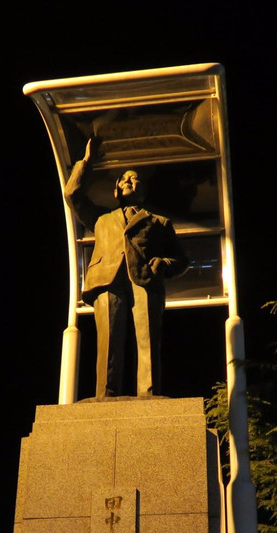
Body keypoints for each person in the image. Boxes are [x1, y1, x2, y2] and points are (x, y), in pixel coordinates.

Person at [64, 138, 186, 398]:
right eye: (124, 179)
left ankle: (149, 393)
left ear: (144, 189)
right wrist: (87, 162)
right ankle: (106, 393)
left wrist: (163, 264)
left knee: (148, 338)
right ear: (116, 190)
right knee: (109, 341)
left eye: (135, 178)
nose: (130, 181)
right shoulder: (100, 218)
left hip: (145, 279)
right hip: (107, 279)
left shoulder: (159, 222)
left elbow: (181, 259)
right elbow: (71, 194)